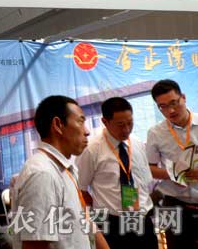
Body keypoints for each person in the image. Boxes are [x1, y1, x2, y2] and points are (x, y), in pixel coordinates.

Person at [12, 95, 109, 249]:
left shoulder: (65, 169)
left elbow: (86, 221)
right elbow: (35, 244)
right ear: (58, 125)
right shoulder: (42, 174)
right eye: (80, 122)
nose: (87, 131)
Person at [76, 97, 157, 247]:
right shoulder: (92, 150)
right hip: (113, 223)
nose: (126, 129)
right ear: (105, 122)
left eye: (130, 123)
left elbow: (145, 181)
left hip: (143, 220)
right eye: (120, 125)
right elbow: (81, 189)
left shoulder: (137, 142)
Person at [146, 79, 198, 249]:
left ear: (183, 97)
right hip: (172, 201)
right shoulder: (155, 133)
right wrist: (176, 173)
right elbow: (150, 168)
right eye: (163, 106)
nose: (171, 110)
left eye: (174, 103)